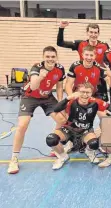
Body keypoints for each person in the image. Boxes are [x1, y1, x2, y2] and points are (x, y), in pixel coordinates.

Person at [7, 46, 66, 174]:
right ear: (43, 57)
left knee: (62, 119)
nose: (50, 59)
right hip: (30, 97)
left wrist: (61, 103)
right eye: (47, 57)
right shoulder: (36, 68)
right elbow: (33, 86)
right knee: (22, 125)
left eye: (53, 57)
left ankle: (54, 146)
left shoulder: (60, 68)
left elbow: (60, 87)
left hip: (47, 97)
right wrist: (40, 77)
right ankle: (14, 159)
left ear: (56, 57)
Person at [46, 82, 108, 170]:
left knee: (94, 143)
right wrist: (67, 98)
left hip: (85, 130)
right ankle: (63, 156)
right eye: (82, 92)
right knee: (51, 139)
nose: (85, 95)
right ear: (78, 92)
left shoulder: (96, 102)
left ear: (91, 93)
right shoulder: (71, 101)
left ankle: (89, 151)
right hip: (69, 129)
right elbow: (56, 109)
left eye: (88, 92)